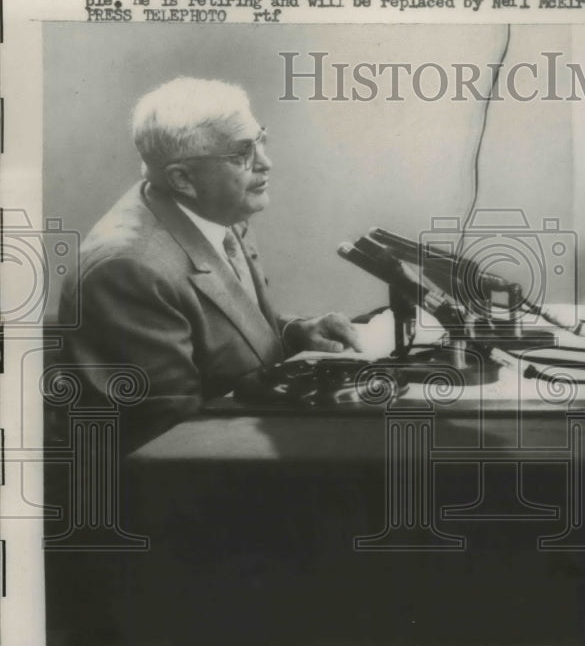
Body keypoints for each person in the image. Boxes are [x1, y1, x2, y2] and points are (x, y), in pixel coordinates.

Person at [58, 77, 363, 452]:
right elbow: (169, 442)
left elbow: (224, 326)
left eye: (261, 140)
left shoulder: (214, 211)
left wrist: (296, 333)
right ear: (183, 178)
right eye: (242, 154)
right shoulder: (128, 269)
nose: (266, 163)